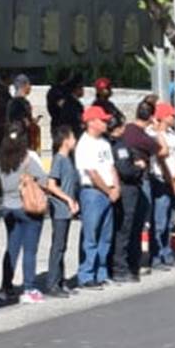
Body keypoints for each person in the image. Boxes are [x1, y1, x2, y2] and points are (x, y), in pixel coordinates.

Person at [0, 123, 48, 302]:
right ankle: (29, 288)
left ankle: (6, 286)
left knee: (11, 248)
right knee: (30, 250)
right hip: (27, 207)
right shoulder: (27, 158)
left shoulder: (1, 158)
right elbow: (43, 180)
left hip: (8, 207)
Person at [75, 105, 119, 289]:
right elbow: (92, 173)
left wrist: (116, 187)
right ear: (91, 122)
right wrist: (108, 191)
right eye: (102, 120)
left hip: (108, 191)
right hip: (92, 192)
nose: (106, 122)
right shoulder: (85, 144)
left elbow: (111, 166)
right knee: (91, 236)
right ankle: (87, 275)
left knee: (105, 235)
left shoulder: (104, 142)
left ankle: (101, 272)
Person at [109, 109, 155, 280]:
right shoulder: (120, 147)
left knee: (128, 229)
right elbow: (125, 170)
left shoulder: (115, 144)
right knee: (125, 230)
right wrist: (139, 167)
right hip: (127, 189)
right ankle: (121, 268)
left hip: (127, 189)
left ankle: (125, 266)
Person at [43, 126, 82, 295]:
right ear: (65, 140)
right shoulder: (59, 159)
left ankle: (61, 280)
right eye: (73, 137)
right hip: (60, 208)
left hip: (67, 208)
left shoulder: (68, 159)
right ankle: (52, 283)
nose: (75, 141)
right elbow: (51, 185)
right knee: (58, 246)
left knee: (63, 245)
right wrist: (67, 199)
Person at [148, 102, 175, 269]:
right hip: (160, 178)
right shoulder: (153, 134)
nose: (174, 118)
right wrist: (169, 177)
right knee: (159, 221)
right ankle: (156, 255)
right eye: (171, 115)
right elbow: (160, 158)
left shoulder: (173, 134)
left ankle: (167, 252)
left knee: (170, 219)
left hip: (172, 178)